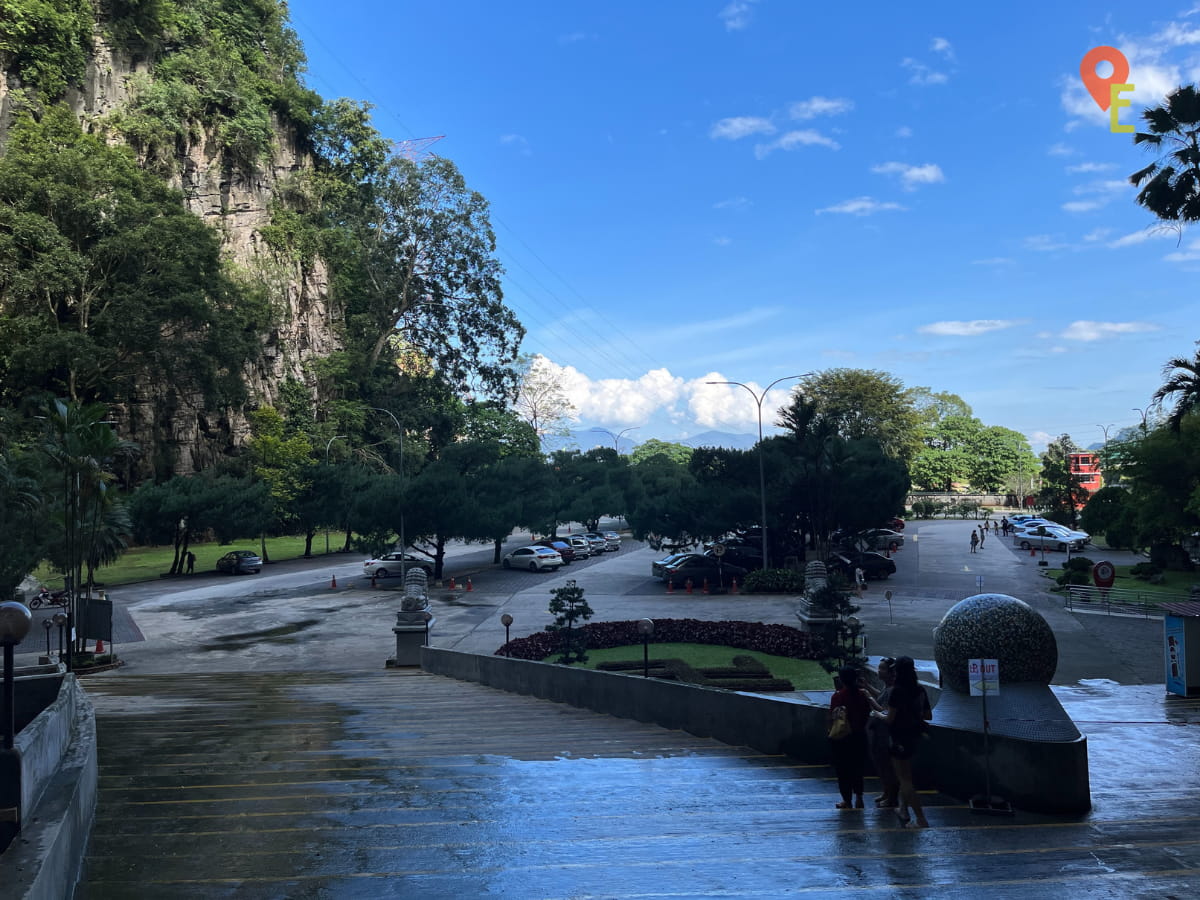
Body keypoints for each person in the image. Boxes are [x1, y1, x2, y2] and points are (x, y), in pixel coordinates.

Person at [888, 656, 933, 828]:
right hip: (914, 737)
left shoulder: (897, 691)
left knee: (904, 779)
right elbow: (928, 716)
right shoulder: (920, 690)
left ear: (898, 671)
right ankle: (903, 809)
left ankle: (921, 818)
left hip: (898, 737)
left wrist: (877, 714)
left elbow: (890, 719)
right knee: (906, 775)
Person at [829, 666, 879, 810]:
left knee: (843, 769)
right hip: (860, 736)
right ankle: (859, 798)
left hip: (843, 738)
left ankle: (847, 800)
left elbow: (833, 717)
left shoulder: (838, 696)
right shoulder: (863, 694)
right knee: (858, 768)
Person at [866, 658, 900, 808]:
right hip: (879, 732)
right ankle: (886, 792)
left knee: (886, 765)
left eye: (882, 669)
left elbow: (884, 710)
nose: (879, 671)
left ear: (891, 673)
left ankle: (892, 797)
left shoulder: (893, 689)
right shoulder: (887, 687)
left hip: (885, 734)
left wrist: (868, 699)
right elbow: (881, 695)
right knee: (880, 764)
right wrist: (867, 687)